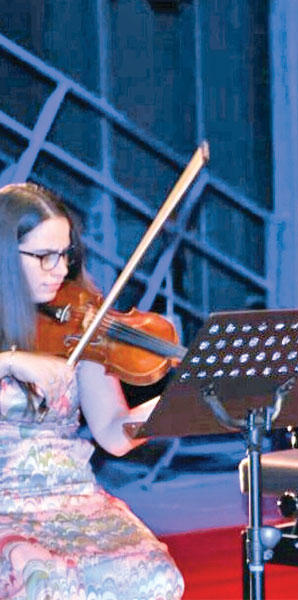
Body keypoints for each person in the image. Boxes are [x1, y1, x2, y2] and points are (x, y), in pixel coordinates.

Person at [0, 182, 184, 599]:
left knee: (156, 576)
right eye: (44, 256)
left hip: (74, 498)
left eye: (65, 254)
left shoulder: (80, 318)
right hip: (6, 507)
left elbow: (113, 434)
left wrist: (167, 408)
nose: (60, 270)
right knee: (46, 580)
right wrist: (9, 361)